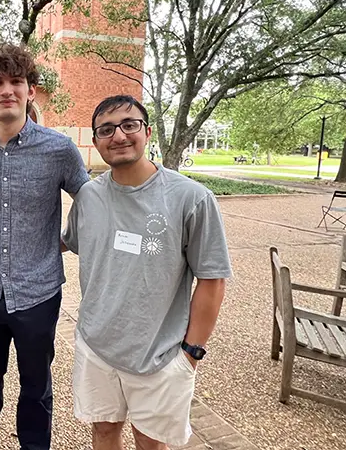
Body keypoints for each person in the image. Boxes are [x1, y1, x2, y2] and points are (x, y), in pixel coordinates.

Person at [61, 95, 231, 450]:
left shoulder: (191, 198)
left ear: (147, 131)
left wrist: (191, 353)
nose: (119, 136)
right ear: (95, 142)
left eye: (129, 125)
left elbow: (212, 280)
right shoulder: (88, 197)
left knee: (150, 442)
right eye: (106, 129)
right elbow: (67, 243)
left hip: (161, 352)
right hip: (96, 346)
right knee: (104, 431)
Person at [0, 43, 89, 450]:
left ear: (31, 90)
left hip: (38, 291)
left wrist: (67, 241)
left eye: (16, 81)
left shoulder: (59, 149)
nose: (7, 90)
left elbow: (93, 202)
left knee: (36, 384)